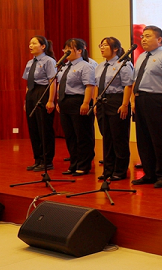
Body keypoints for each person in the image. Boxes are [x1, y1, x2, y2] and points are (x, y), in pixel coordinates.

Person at [131, 26, 162, 188]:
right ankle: (149, 173)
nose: (143, 39)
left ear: (159, 39)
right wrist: (133, 100)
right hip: (141, 99)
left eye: (147, 36)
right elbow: (135, 80)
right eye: (142, 36)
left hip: (158, 99)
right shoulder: (141, 56)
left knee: (161, 139)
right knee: (144, 139)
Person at [94, 37, 134, 181]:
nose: (102, 48)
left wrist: (125, 105)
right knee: (107, 137)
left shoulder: (123, 64)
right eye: (101, 45)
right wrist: (95, 103)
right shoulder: (99, 66)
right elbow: (96, 86)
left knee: (119, 137)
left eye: (105, 45)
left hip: (117, 100)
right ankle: (108, 170)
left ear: (115, 48)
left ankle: (120, 170)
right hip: (102, 102)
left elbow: (128, 85)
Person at [57, 38, 96, 176]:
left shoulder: (85, 66)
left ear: (79, 50)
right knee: (70, 135)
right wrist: (59, 101)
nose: (66, 51)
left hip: (79, 101)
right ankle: (73, 163)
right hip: (65, 101)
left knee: (82, 135)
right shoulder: (64, 66)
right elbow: (60, 84)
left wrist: (86, 103)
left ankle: (84, 165)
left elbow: (90, 86)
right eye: (65, 48)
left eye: (70, 49)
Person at [22, 35, 57, 172]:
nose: (30, 46)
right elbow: (28, 83)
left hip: (43, 92)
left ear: (43, 46)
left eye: (34, 43)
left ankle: (47, 161)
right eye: (30, 43)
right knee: (33, 128)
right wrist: (26, 100)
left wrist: (51, 100)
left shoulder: (49, 61)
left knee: (44, 128)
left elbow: (52, 81)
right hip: (32, 93)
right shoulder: (30, 62)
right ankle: (37, 159)